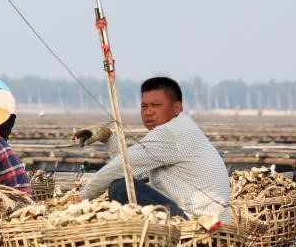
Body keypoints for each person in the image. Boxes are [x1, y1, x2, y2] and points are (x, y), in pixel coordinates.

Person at [76, 77, 231, 222]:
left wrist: (82, 198)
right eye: (144, 106)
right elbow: (136, 171)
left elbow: (123, 165)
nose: (148, 112)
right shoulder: (181, 128)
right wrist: (108, 137)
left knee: (120, 188)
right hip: (199, 216)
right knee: (126, 184)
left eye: (156, 106)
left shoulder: (172, 132)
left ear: (177, 108)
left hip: (198, 222)